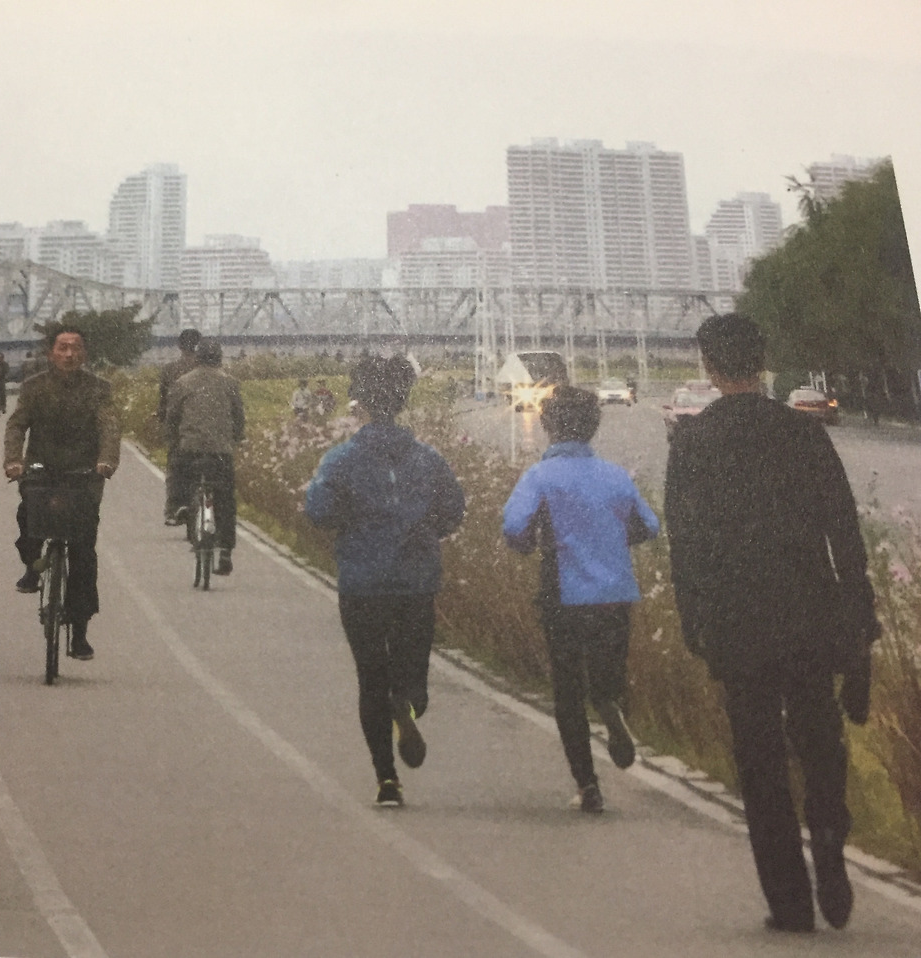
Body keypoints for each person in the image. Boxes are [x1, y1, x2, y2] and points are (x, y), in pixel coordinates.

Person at [664, 313, 879, 934]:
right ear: (762, 364)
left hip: (738, 621)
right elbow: (845, 533)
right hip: (810, 611)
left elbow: (686, 544)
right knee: (820, 736)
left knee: (758, 758)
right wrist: (857, 616)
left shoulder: (694, 443)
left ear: (709, 366)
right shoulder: (804, 434)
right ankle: (830, 837)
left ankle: (790, 902)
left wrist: (695, 620)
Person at [305, 356, 465, 807]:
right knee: (413, 674)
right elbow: (453, 509)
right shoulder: (427, 459)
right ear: (403, 400)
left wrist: (351, 523)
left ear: (361, 401)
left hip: (362, 584)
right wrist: (425, 532)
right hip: (415, 582)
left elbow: (318, 511)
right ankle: (407, 706)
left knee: (370, 678)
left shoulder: (341, 460)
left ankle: (387, 780)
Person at [502, 385, 660, 814]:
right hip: (615, 593)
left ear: (548, 426)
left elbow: (514, 526)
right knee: (606, 676)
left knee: (568, 690)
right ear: (593, 427)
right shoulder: (616, 476)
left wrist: (531, 542)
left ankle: (588, 785)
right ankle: (610, 703)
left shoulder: (540, 476)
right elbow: (649, 525)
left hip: (563, 592)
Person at [4, 323, 119, 660]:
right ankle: (33, 566)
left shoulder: (99, 389)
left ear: (84, 353)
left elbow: (109, 426)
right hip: (41, 471)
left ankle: (79, 632)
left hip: (83, 476)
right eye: (62, 348)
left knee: (83, 555)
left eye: (75, 348)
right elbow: (17, 425)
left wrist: (107, 461)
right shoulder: (34, 387)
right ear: (51, 353)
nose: (69, 354)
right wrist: (14, 460)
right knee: (28, 521)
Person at [165, 338, 245, 574]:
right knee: (226, 500)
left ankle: (180, 506)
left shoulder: (182, 383)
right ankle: (226, 552)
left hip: (190, 449)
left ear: (197, 358)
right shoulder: (230, 383)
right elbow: (238, 416)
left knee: (178, 473)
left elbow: (172, 417)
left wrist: (173, 439)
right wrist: (236, 438)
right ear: (219, 358)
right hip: (221, 452)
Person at [157, 328, 203, 524]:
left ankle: (173, 509)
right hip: (206, 429)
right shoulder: (209, 370)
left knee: (176, 468)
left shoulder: (170, 370)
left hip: (180, 431)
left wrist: (162, 417)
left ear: (180, 346)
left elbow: (164, 403)